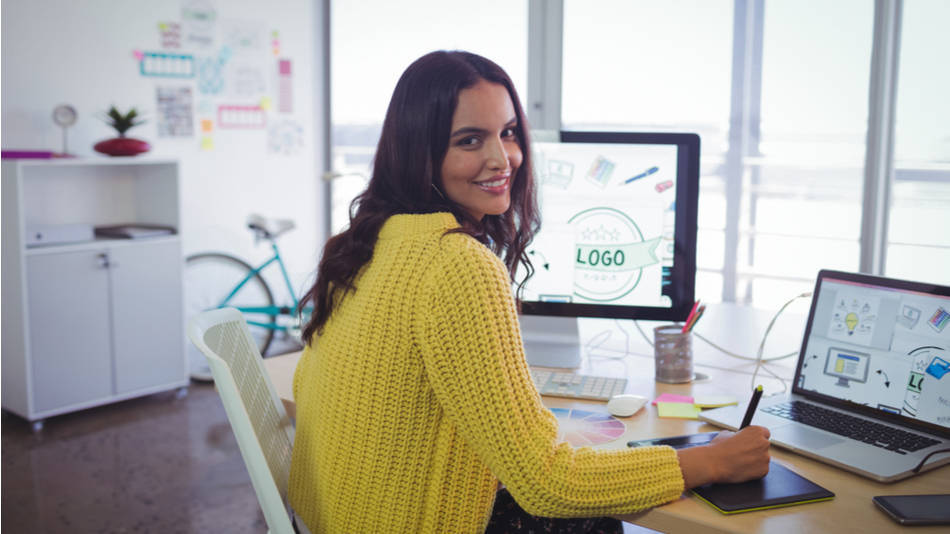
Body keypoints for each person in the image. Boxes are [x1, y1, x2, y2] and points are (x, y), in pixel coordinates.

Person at [288, 50, 771, 534]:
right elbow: (548, 483)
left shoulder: (365, 244)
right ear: (420, 151)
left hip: (337, 520)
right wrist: (712, 462)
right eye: (470, 140)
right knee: (598, 518)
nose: (503, 159)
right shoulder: (456, 264)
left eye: (509, 132)